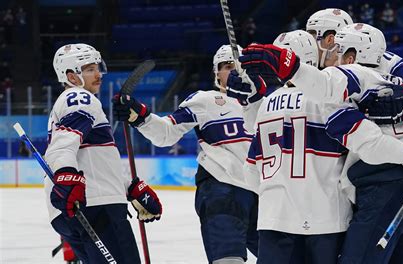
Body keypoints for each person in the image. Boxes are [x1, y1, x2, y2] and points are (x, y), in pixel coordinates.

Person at [232, 23, 403, 263]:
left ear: (353, 55)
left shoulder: (342, 80)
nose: (331, 57)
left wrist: (286, 71)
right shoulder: (387, 81)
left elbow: (368, 143)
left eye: (337, 51)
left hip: (373, 196)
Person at [112, 44, 259, 264]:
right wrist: (140, 116)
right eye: (228, 66)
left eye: (240, 67)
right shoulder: (205, 100)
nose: (235, 72)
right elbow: (167, 134)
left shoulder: (265, 104)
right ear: (216, 73)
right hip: (222, 190)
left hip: (262, 194)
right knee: (229, 261)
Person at [235, 30, 351, 264]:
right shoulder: (329, 99)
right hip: (325, 218)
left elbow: (250, 173)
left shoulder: (267, 104)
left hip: (274, 220)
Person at [45, 43, 162, 263]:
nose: (98, 74)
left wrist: (130, 187)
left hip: (81, 206)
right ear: (71, 76)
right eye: (89, 69)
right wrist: (66, 174)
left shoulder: (67, 102)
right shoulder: (80, 97)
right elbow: (62, 145)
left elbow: (94, 162)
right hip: (98, 206)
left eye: (97, 67)